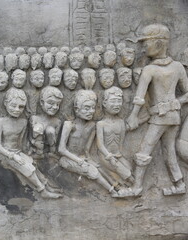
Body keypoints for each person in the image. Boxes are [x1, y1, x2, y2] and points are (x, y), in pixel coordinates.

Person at [122, 24, 188, 197]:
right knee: (169, 150)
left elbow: (139, 97)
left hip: (161, 118)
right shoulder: (177, 67)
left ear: (159, 43)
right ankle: (179, 184)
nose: (143, 47)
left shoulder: (150, 69)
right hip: (173, 117)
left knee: (145, 150)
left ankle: (136, 187)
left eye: (146, 43)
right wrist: (175, 104)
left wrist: (133, 116)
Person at [0, 88, 62, 199]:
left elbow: (22, 142)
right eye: (13, 106)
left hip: (17, 151)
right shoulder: (0, 121)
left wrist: (27, 153)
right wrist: (13, 156)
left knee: (32, 164)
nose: (17, 110)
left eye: (21, 107)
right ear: (6, 103)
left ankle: (46, 185)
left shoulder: (23, 121)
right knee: (26, 167)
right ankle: (42, 190)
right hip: (4, 153)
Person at [58, 90, 116, 195]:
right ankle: (112, 191)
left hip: (82, 157)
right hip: (68, 159)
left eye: (93, 108)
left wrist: (89, 159)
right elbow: (61, 149)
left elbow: (86, 149)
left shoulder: (92, 125)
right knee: (92, 172)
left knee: (100, 168)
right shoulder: (69, 125)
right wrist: (78, 160)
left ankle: (117, 186)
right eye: (86, 108)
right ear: (76, 109)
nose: (91, 111)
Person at [96, 87, 134, 187]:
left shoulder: (121, 122)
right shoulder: (101, 124)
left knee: (129, 168)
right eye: (113, 101)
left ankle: (123, 183)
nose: (116, 105)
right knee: (126, 173)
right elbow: (100, 145)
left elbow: (121, 142)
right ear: (104, 103)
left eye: (119, 101)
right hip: (106, 156)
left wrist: (119, 156)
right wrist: (109, 157)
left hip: (118, 155)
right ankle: (128, 186)